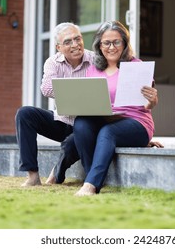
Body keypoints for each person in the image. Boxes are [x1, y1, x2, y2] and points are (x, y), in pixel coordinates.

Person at [73, 20, 158, 196]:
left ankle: (90, 185)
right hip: (105, 119)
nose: (111, 47)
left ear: (124, 44)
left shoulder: (136, 65)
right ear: (99, 45)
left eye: (116, 42)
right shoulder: (93, 71)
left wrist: (152, 101)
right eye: (106, 42)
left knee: (107, 131)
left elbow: (146, 104)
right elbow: (91, 103)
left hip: (136, 122)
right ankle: (91, 176)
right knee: (81, 123)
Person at [15, 22, 94, 187]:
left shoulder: (95, 60)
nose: (75, 44)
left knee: (72, 142)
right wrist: (81, 92)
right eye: (68, 42)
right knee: (24, 114)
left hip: (88, 124)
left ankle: (56, 172)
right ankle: (33, 176)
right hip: (63, 119)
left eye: (77, 39)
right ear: (58, 47)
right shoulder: (53, 62)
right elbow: (47, 88)